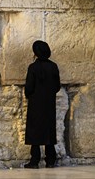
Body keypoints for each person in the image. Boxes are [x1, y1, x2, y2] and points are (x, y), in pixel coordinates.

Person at [24, 40, 61, 169]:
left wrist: (30, 95)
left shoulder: (33, 67)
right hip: (49, 103)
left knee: (35, 130)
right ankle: (50, 160)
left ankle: (34, 161)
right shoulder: (53, 66)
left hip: (36, 103)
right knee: (49, 130)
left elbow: (29, 87)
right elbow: (57, 86)